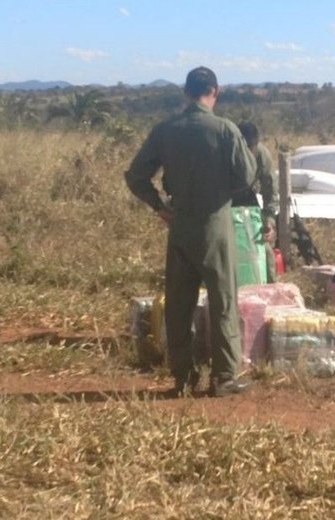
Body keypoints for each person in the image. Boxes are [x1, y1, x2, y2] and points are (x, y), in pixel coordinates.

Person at [125, 66, 256, 397]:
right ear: (216, 91)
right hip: (216, 225)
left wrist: (159, 206)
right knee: (223, 300)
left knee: (179, 304)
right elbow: (246, 177)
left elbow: (136, 176)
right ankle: (224, 377)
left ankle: (182, 377)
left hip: (179, 225)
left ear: (186, 92)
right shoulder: (225, 130)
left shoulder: (166, 130)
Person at [234, 121, 280, 282]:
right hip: (224, 202)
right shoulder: (221, 152)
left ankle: (271, 288)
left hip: (248, 200)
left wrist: (269, 219)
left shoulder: (261, 154)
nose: (248, 153)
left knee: (264, 249)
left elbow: (270, 188)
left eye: (251, 148)